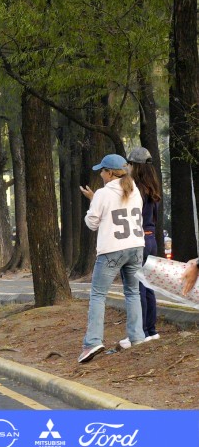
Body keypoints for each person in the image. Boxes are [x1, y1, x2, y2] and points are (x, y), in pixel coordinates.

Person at [77, 154, 145, 363]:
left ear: (110, 173)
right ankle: (137, 337)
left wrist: (93, 204)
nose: (100, 174)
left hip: (112, 249)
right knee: (133, 292)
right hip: (136, 246)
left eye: (102, 171)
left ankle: (93, 341)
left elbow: (92, 223)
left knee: (98, 294)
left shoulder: (103, 193)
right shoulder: (134, 190)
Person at [127, 146, 162, 343]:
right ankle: (151, 330)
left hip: (139, 239)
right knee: (148, 287)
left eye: (130, 164)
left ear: (136, 166)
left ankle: (140, 332)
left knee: (137, 288)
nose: (128, 168)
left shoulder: (135, 189)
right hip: (151, 239)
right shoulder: (152, 187)